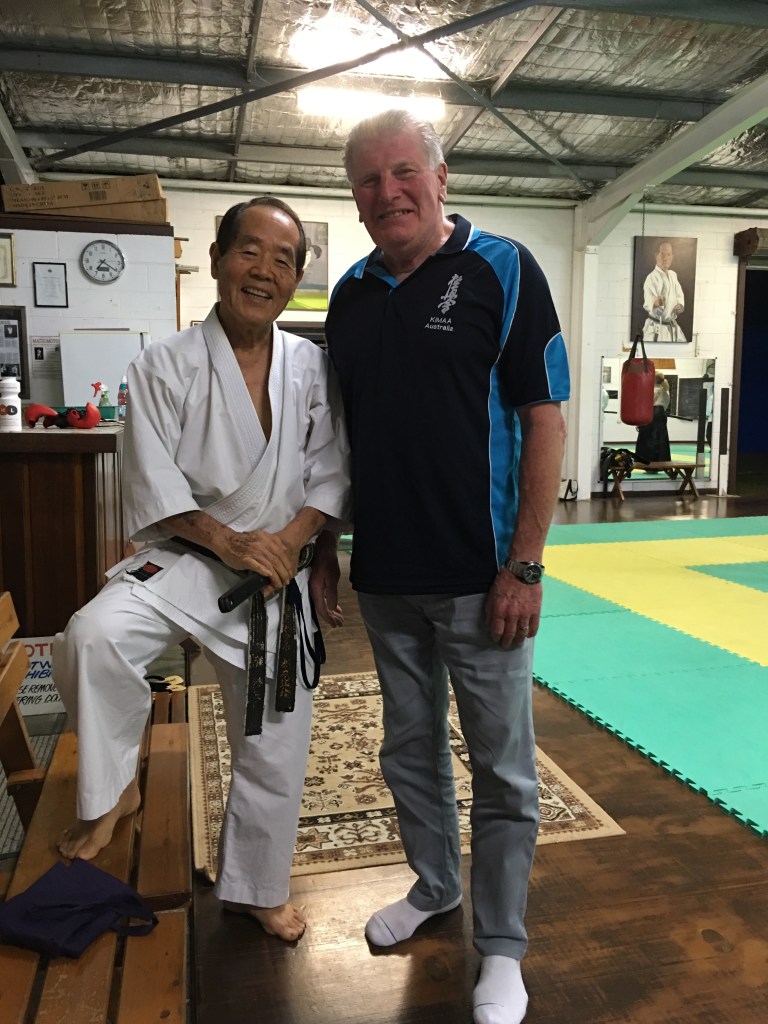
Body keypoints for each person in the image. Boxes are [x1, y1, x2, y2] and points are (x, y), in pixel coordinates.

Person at [312, 110, 570, 1024]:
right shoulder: (350, 293)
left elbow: (545, 417)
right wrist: (324, 551)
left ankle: (501, 948)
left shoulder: (504, 267)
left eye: (402, 171)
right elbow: (335, 439)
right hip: (384, 574)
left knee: (503, 770)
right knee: (406, 749)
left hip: (482, 578)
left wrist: (526, 566)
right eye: (368, 182)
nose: (388, 193)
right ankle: (435, 887)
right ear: (355, 198)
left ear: (441, 174)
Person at [53, 197, 351, 942]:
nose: (265, 271)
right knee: (91, 635)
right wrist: (231, 541)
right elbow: (151, 483)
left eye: (284, 260)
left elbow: (332, 471)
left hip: (274, 573)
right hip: (188, 559)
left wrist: (292, 542)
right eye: (251, 251)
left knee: (277, 733)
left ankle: (255, 888)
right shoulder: (162, 365)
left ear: (295, 281)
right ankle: (113, 792)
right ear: (218, 259)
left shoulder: (311, 367)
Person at [642, 240, 686, 343]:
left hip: (671, 326)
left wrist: (679, 305)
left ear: (672, 257)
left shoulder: (673, 275)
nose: (665, 258)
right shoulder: (652, 277)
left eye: (668, 255)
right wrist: (656, 302)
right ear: (656, 256)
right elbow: (649, 302)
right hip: (656, 327)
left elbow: (679, 295)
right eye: (662, 254)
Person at [635, 370, 671, 464]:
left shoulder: (649, 390)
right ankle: (660, 461)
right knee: (660, 437)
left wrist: (639, 421)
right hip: (661, 414)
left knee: (647, 437)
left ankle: (647, 460)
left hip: (650, 412)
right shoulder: (665, 390)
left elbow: (644, 404)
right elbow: (666, 405)